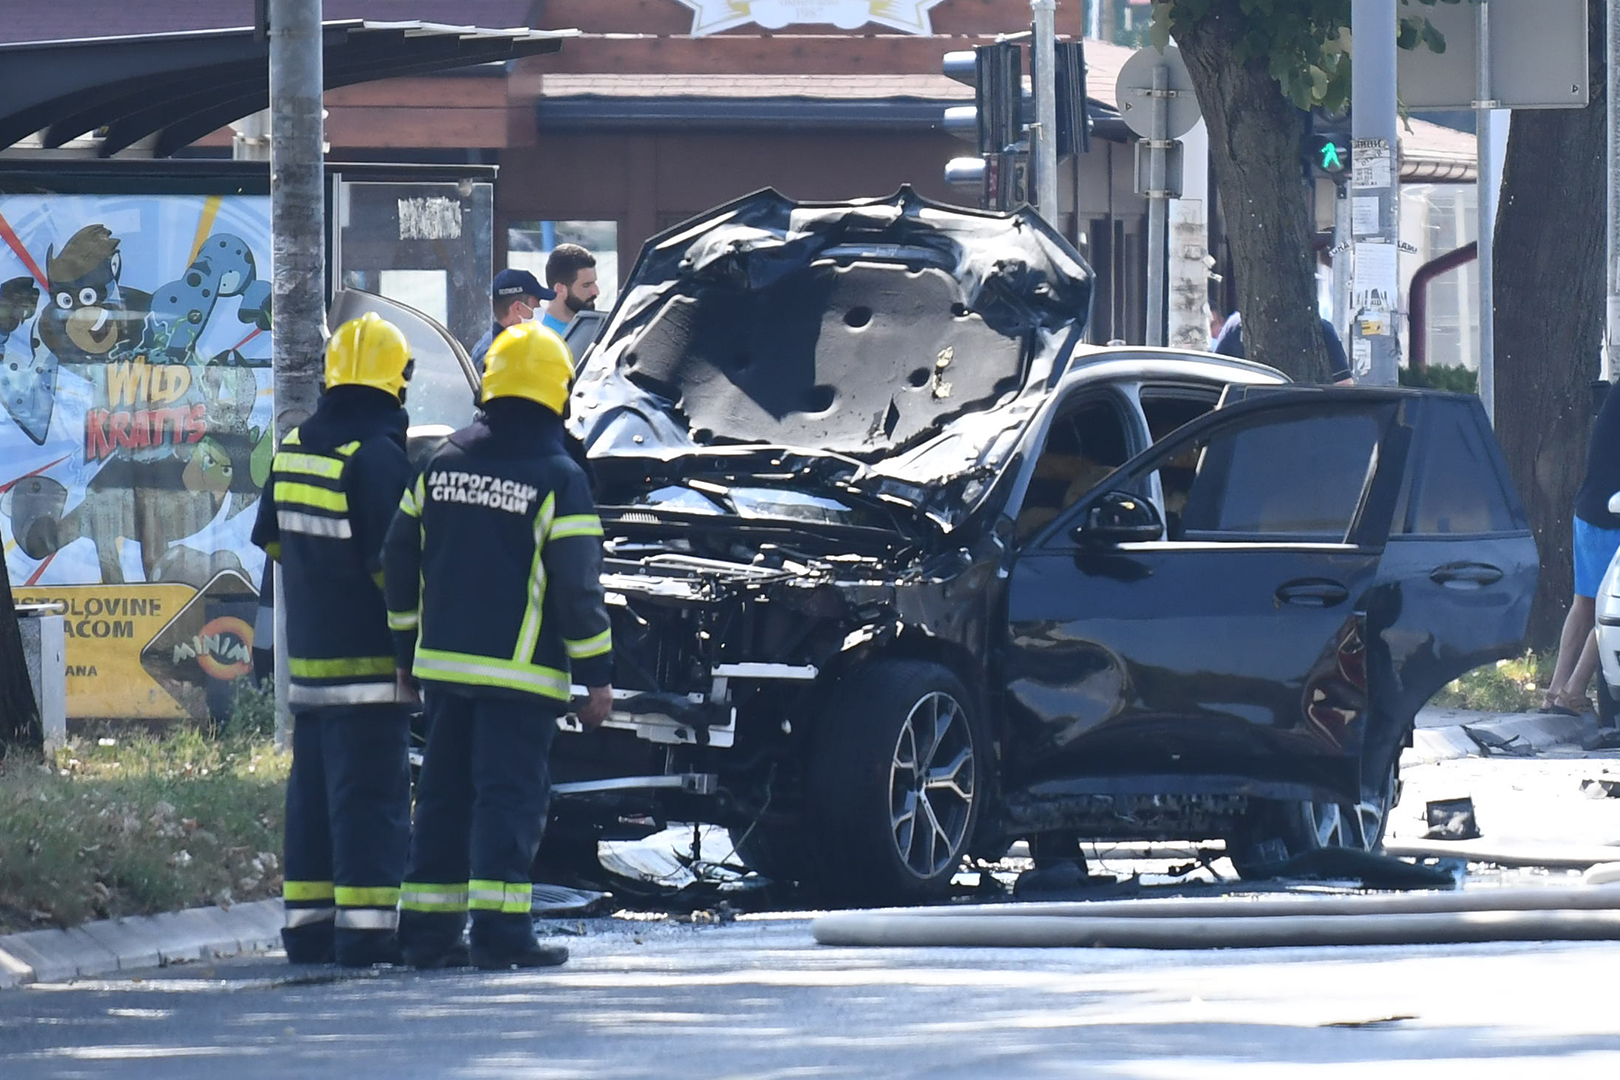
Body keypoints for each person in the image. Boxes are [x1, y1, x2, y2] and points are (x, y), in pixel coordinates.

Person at [385, 321, 614, 970]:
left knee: (444, 802)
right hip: (520, 683)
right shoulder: (558, 476)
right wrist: (597, 676)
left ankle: (426, 937)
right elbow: (577, 590)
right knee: (508, 805)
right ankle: (500, 935)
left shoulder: (441, 462)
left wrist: (407, 653)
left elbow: (399, 560)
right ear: (557, 391)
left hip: (444, 677)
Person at [250, 313, 416, 967]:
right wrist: (413, 657)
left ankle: (310, 929)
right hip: (372, 671)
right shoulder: (375, 456)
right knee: (371, 801)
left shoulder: (295, 447)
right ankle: (369, 933)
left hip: (312, 670)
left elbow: (272, 541)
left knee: (313, 801)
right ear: (394, 384)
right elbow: (393, 570)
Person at [1542, 384, 1620, 717]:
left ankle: (1556, 691)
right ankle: (1574, 692)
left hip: (1588, 509)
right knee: (1611, 607)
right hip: (1613, 515)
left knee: (1584, 604)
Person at [1209, 298, 1353, 385]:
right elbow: (1344, 386)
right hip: (1306, 421)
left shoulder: (1234, 326)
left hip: (1243, 424)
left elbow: (1214, 380)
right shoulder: (1320, 329)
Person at [470, 268, 554, 371]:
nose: (539, 311)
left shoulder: (496, 346)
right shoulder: (498, 355)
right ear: (518, 308)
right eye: (535, 306)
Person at [540, 243, 599, 336]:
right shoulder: (542, 338)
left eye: (594, 283)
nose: (596, 291)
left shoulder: (600, 331)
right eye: (586, 285)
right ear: (560, 289)